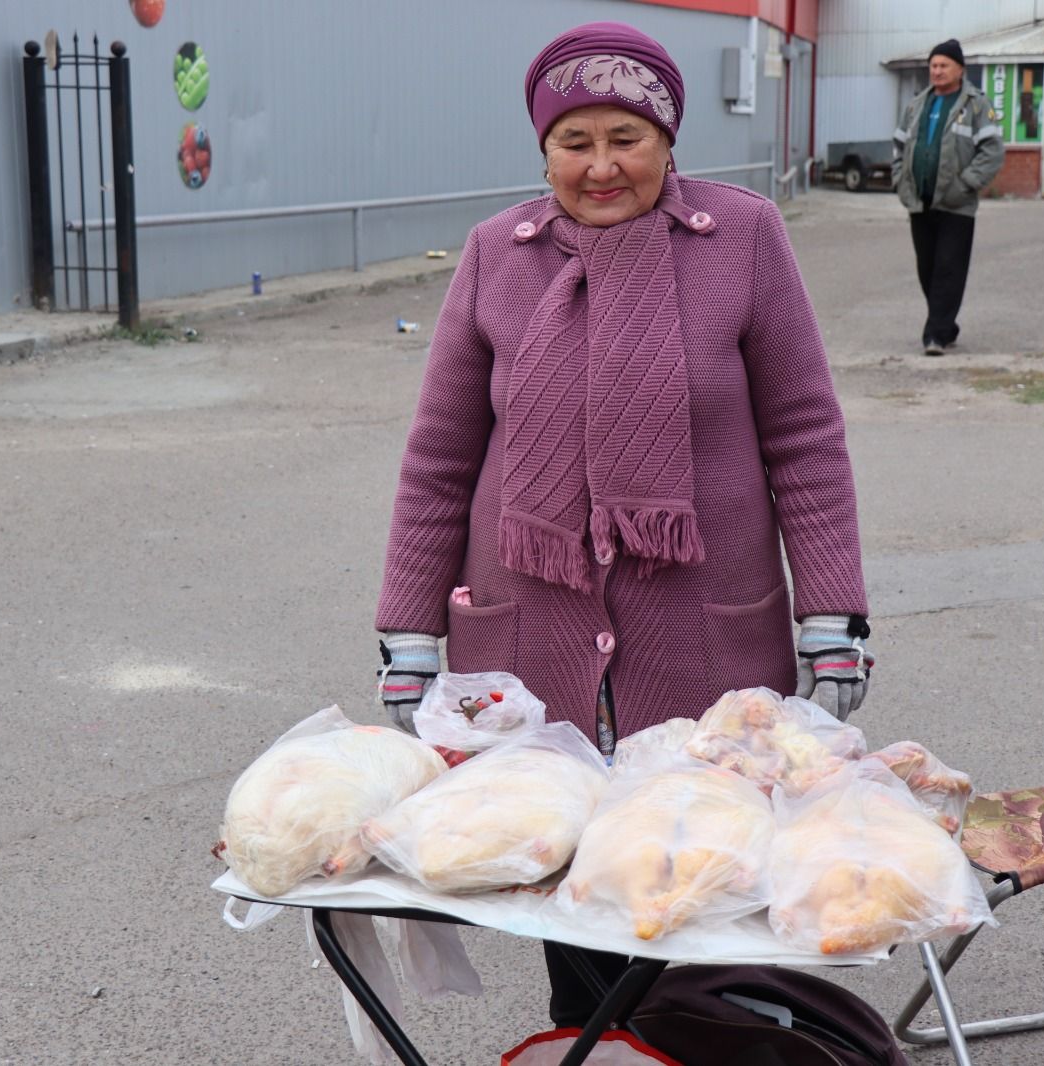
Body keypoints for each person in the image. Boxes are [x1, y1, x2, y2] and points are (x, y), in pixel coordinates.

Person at [372, 22, 872, 1027]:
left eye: (625, 138)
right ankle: (597, 1046)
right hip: (530, 644)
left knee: (697, 885)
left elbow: (805, 441)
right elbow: (439, 460)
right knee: (564, 890)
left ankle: (694, 1040)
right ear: (544, 149)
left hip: (701, 644)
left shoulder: (743, 238)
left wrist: (833, 620)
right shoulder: (492, 256)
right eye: (574, 141)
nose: (601, 166)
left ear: (669, 138)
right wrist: (409, 636)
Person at [891, 38, 1004, 356]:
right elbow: (898, 147)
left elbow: (992, 152)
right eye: (933, 66)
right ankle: (946, 324)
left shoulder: (977, 106)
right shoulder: (916, 105)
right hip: (919, 202)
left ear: (960, 69)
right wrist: (900, 181)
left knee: (948, 269)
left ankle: (935, 335)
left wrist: (967, 183)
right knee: (927, 268)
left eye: (944, 66)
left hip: (957, 204)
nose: (937, 71)